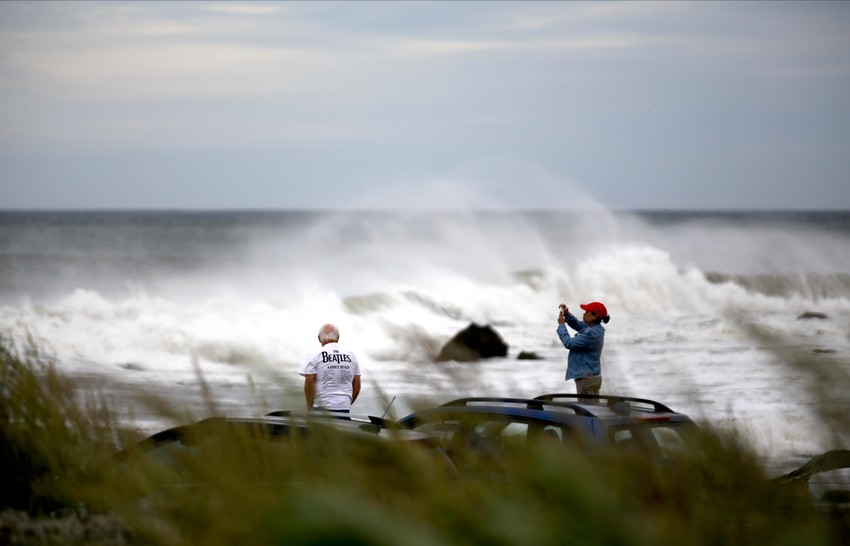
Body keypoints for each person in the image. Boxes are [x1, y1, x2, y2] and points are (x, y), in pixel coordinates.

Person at [300, 323, 361, 413]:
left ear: (318, 338)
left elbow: (309, 383)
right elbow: (357, 385)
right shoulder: (351, 356)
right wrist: (346, 404)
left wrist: (309, 406)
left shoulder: (314, 356)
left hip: (321, 408)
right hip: (344, 408)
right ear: (338, 337)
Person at [556, 301, 610, 396]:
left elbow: (569, 343)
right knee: (593, 407)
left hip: (586, 378)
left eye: (586, 312)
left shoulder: (591, 333)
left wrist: (561, 325)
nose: (584, 314)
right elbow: (578, 325)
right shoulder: (596, 328)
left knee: (586, 408)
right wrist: (567, 314)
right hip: (592, 376)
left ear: (594, 316)